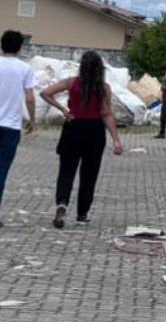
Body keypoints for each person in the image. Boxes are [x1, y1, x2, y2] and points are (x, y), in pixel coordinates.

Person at [40, 50, 122, 228]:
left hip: (73, 128)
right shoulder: (104, 88)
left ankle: (62, 204)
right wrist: (116, 140)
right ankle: (82, 213)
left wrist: (63, 110)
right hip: (94, 131)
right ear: (100, 69)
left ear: (82, 67)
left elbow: (45, 93)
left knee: (66, 171)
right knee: (89, 174)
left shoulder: (71, 82)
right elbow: (107, 114)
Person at [0, 30, 36, 228]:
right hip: (11, 127)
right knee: (1, 172)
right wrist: (32, 119)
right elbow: (30, 98)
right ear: (20, 47)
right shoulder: (24, 69)